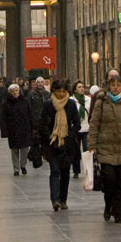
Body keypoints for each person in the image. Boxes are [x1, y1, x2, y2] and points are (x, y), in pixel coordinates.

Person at [88, 72, 121, 222]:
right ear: (108, 86)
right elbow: (94, 123)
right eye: (113, 85)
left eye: (118, 85)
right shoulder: (101, 101)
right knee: (109, 179)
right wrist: (92, 144)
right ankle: (108, 205)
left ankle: (118, 212)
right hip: (105, 147)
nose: (116, 88)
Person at [39, 78, 81, 211]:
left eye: (63, 91)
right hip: (52, 143)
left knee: (65, 172)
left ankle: (63, 199)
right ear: (53, 91)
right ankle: (55, 199)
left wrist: (69, 134)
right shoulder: (48, 104)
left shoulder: (71, 104)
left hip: (67, 144)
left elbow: (77, 123)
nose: (61, 94)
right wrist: (49, 136)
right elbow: (42, 123)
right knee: (55, 170)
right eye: (58, 91)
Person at [2, 83, 33, 175]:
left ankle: (23, 165)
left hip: (24, 128)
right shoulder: (6, 103)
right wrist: (5, 130)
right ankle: (16, 169)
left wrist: (32, 127)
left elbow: (30, 113)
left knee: (24, 149)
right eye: (12, 91)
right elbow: (3, 117)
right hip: (13, 129)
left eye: (16, 91)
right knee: (14, 150)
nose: (15, 93)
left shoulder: (25, 101)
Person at [70, 80, 91, 177]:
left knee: (87, 149)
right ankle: (76, 170)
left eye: (82, 87)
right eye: (79, 87)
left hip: (86, 128)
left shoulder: (88, 100)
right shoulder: (71, 100)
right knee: (75, 150)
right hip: (76, 129)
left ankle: (87, 169)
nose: (82, 88)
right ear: (75, 90)